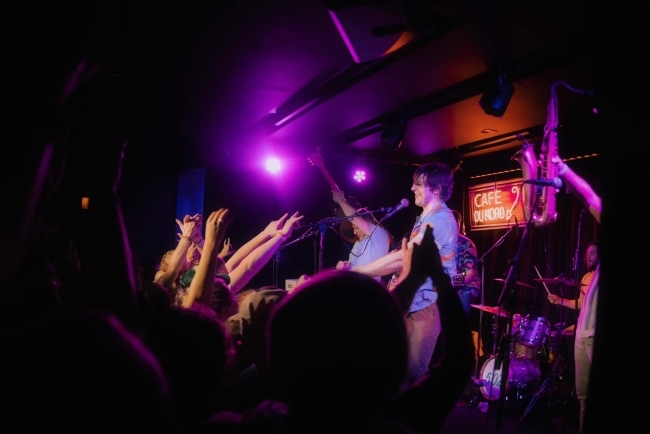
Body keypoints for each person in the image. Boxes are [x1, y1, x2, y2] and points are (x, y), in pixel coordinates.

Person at [351, 161, 458, 385]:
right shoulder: (426, 218)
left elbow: (403, 258)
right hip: (414, 303)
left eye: (418, 184)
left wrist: (359, 272)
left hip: (428, 305)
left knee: (415, 373)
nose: (412, 189)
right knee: (398, 367)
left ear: (436, 190)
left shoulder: (441, 220)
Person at [547, 155, 601, 434]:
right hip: (583, 330)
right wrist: (564, 170)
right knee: (584, 397)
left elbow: (591, 196)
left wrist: (565, 170)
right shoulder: (589, 276)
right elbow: (589, 196)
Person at [331, 190, 391, 282]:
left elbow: (355, 218)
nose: (354, 232)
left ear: (369, 223)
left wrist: (341, 201)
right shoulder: (357, 244)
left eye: (357, 227)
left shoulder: (380, 235)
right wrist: (344, 269)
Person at [450, 210, 481, 315]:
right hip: (450, 286)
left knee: (462, 311)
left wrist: (453, 284)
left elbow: (470, 273)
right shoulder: (441, 245)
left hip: (467, 286)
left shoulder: (467, 244)